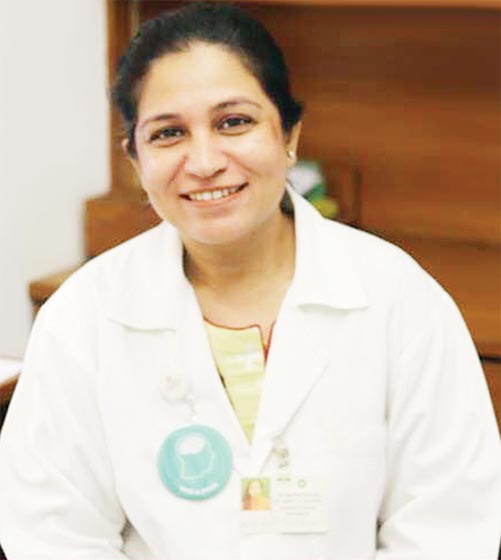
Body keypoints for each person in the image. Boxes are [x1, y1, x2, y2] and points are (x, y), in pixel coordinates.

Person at [0, 3, 500, 559]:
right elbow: (52, 534)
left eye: (233, 122)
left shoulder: (399, 299)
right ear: (136, 161)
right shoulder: (82, 318)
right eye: (168, 133)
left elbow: (449, 527)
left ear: (289, 135)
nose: (204, 161)